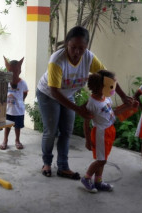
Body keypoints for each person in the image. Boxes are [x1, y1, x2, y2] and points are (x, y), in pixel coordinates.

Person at [36, 26, 133, 179]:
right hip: (48, 94)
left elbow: (108, 78)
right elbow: (54, 91)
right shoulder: (57, 60)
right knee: (51, 131)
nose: (77, 52)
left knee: (67, 131)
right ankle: (47, 163)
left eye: (81, 48)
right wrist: (78, 109)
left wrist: (123, 96)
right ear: (67, 43)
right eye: (73, 47)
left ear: (86, 46)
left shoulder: (89, 57)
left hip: (68, 95)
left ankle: (63, 167)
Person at [81, 70, 125, 192]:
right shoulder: (92, 103)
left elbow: (113, 112)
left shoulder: (105, 98)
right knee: (101, 160)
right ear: (100, 86)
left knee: (103, 159)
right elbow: (86, 122)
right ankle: (86, 178)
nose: (113, 89)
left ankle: (98, 181)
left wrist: (128, 106)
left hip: (109, 131)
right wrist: (88, 140)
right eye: (111, 86)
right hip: (100, 133)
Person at [0, 56, 28, 150]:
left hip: (18, 110)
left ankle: (17, 140)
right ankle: (5, 140)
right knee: (7, 126)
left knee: (17, 127)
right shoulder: (6, 82)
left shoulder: (22, 83)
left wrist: (20, 102)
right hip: (8, 110)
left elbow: (25, 93)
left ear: (19, 71)